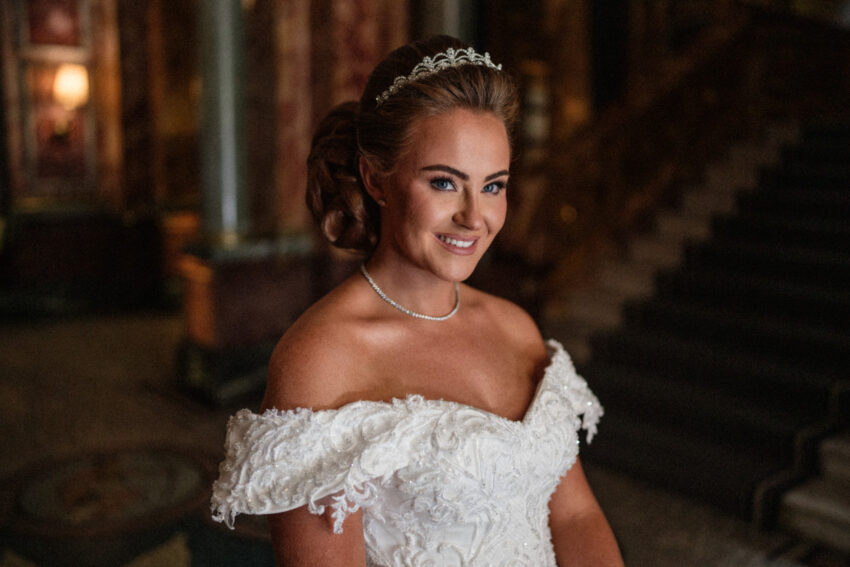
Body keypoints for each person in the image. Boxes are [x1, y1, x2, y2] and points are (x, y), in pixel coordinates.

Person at [211, 35, 624, 566]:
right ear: (375, 178)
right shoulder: (321, 361)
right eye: (445, 183)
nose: (475, 218)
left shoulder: (516, 327)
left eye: (493, 186)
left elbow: (574, 515)